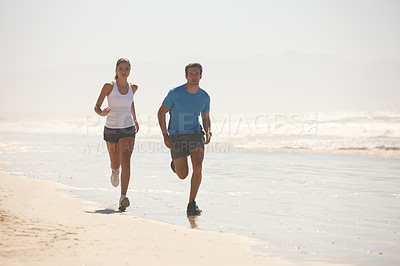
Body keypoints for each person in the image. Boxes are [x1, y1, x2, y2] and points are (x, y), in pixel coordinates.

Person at [157, 63, 211, 216]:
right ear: (186, 76)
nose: (194, 77)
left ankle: (191, 203)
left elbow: (205, 117)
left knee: (198, 166)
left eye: (197, 74)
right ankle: (175, 165)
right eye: (191, 74)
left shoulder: (205, 96)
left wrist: (208, 132)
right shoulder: (175, 93)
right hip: (176, 136)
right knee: (183, 175)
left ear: (201, 76)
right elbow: (161, 113)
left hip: (195, 134)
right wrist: (165, 135)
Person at [94, 58, 139, 211]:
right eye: (121, 68)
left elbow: (130, 102)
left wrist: (135, 118)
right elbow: (97, 107)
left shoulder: (133, 87)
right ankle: (115, 172)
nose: (124, 71)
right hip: (111, 128)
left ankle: (123, 197)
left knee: (126, 160)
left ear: (130, 70)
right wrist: (102, 113)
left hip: (128, 128)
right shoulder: (108, 87)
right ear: (116, 70)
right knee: (116, 163)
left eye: (126, 68)